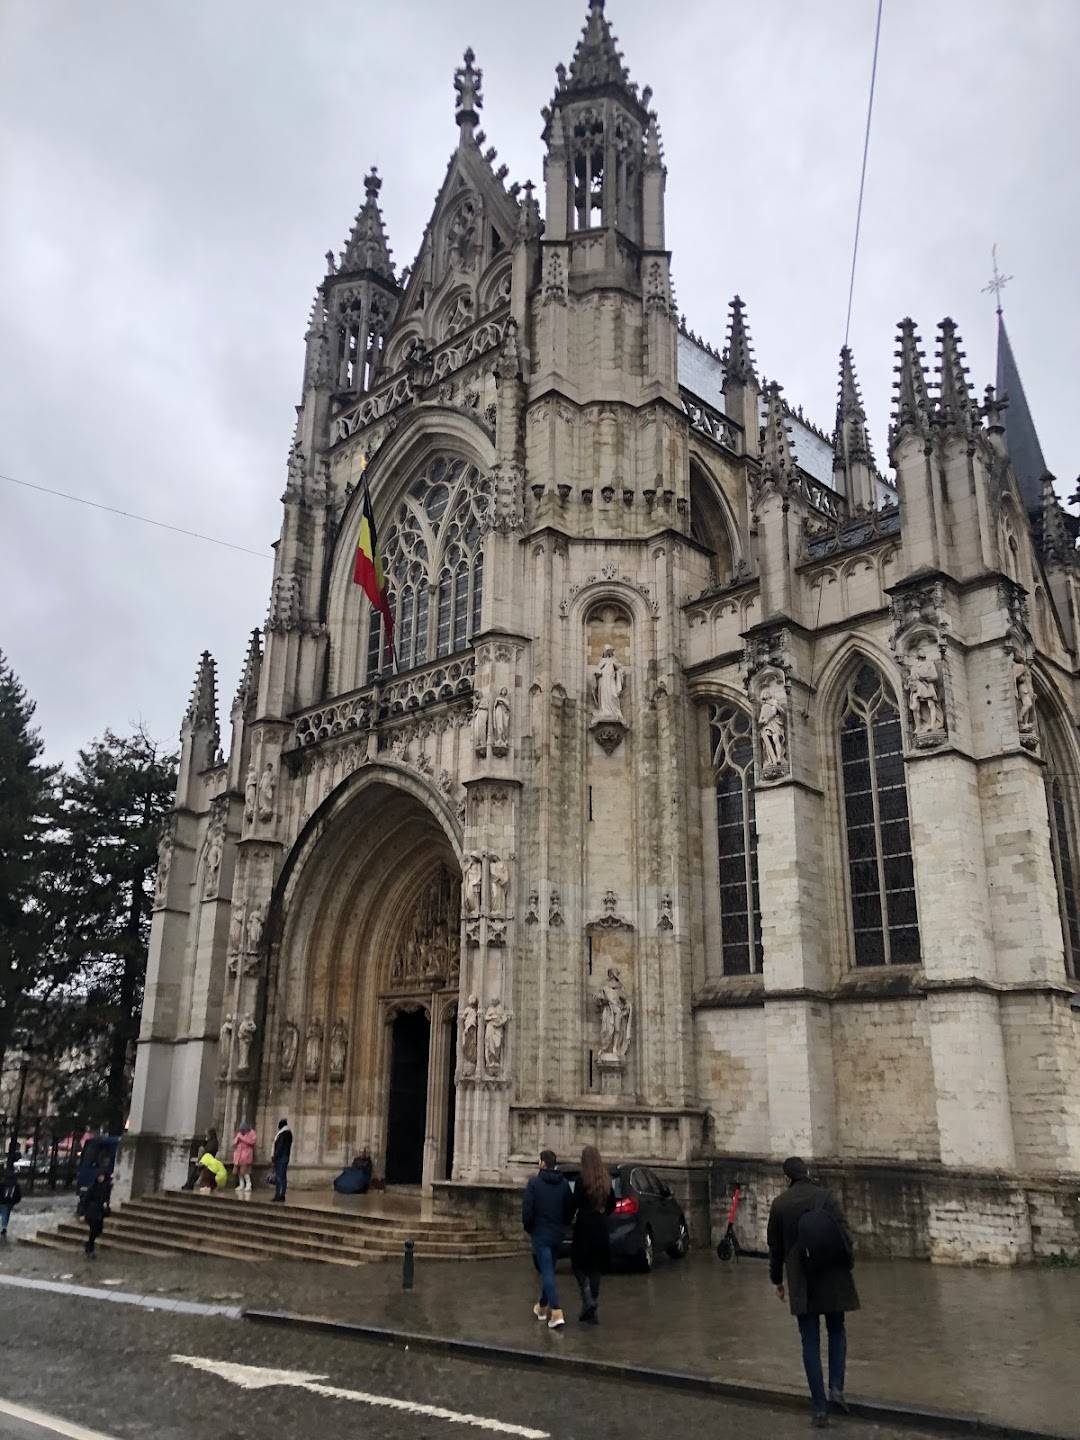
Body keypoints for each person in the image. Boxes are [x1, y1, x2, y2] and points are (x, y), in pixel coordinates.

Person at [767, 1157, 860, 1428]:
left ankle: (820, 1408)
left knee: (810, 1341)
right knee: (837, 1330)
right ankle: (836, 1388)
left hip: (802, 1282)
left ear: (787, 1178)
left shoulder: (780, 1204)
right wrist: (848, 1264)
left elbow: (775, 1249)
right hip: (832, 1275)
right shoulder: (826, 1197)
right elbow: (845, 1236)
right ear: (807, 1173)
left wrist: (777, 1281)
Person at [522, 1149, 574, 1330]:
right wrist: (563, 1224)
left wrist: (530, 1228)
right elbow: (569, 1208)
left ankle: (557, 1311)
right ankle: (542, 1307)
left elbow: (527, 1210)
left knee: (547, 1272)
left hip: (541, 1234)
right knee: (548, 1269)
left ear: (543, 1163)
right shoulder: (564, 1184)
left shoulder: (534, 1184)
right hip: (557, 1234)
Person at [571, 1145, 614, 1324]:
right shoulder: (606, 1180)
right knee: (596, 1267)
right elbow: (612, 1204)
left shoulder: (581, 1179)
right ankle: (591, 1306)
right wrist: (603, 1212)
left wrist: (571, 1216)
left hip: (584, 1226)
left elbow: (575, 1202)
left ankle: (588, 1297)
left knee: (578, 1264)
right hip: (600, 1225)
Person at [78, 1170, 110, 1258]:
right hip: (91, 1212)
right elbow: (85, 1200)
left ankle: (88, 1244)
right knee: (93, 1230)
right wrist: (82, 1213)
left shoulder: (106, 1187)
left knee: (98, 1230)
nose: (101, 1178)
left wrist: (106, 1203)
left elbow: (106, 1197)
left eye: (102, 1176)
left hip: (100, 1212)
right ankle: (90, 1248)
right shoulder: (93, 1187)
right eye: (99, 1176)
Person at [233, 1119, 257, 1193]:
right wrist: (236, 1141)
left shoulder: (252, 1133)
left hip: (246, 1154)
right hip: (238, 1155)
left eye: (243, 1130)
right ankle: (241, 1184)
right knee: (239, 1172)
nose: (242, 1131)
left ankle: (248, 1185)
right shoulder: (239, 1133)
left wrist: (242, 1139)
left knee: (246, 1171)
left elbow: (252, 1142)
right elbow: (234, 1142)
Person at [271, 1118, 293, 1202]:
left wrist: (275, 1157)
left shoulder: (283, 1134)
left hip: (281, 1158)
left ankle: (278, 1195)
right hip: (285, 1157)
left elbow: (279, 1147)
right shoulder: (288, 1133)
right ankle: (281, 1194)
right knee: (282, 1177)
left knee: (279, 1177)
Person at [0, 1166, 22, 1242]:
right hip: (10, 1202)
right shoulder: (16, 1184)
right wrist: (16, 1201)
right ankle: (4, 1227)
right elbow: (18, 1195)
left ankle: (4, 1227)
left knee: (4, 1213)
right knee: (6, 1214)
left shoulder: (3, 1183)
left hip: (2, 1201)